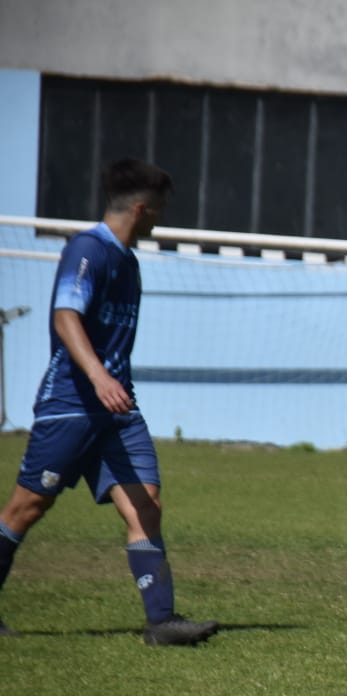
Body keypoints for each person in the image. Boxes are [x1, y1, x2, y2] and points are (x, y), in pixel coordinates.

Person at [0, 158, 218, 645]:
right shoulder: (87, 250)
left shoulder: (129, 263)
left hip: (119, 409)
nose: (159, 220)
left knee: (147, 503)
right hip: (72, 404)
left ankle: (161, 622)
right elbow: (65, 317)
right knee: (26, 508)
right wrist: (98, 377)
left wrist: (110, 384)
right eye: (158, 212)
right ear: (140, 209)